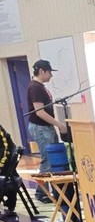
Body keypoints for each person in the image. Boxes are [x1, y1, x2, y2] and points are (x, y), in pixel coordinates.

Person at [26, 59, 62, 201]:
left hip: (46, 127)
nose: (51, 76)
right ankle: (42, 192)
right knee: (47, 160)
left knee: (52, 159)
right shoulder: (35, 87)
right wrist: (59, 124)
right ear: (41, 71)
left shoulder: (40, 87)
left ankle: (50, 189)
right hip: (40, 127)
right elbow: (39, 112)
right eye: (49, 72)